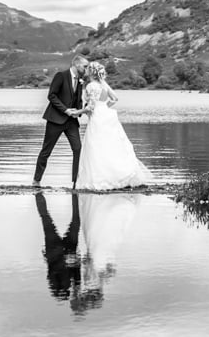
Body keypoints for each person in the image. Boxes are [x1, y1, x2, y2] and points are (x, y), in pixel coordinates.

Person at [74, 61, 153, 190]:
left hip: (97, 119)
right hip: (107, 116)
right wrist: (104, 107)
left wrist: (77, 112)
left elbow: (91, 107)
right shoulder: (104, 85)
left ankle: (101, 180)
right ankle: (119, 176)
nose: (86, 70)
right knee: (111, 146)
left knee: (97, 148)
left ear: (91, 72)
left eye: (88, 69)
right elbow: (114, 98)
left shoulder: (91, 86)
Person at [33, 55, 88, 188]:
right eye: (85, 66)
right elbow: (51, 95)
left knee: (78, 148)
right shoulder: (61, 76)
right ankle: (36, 180)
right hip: (55, 119)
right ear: (76, 65)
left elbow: (78, 99)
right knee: (47, 150)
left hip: (71, 122)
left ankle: (75, 182)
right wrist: (66, 110)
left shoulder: (80, 80)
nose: (86, 69)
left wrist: (78, 111)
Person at [34, 192, 81, 301]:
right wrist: (76, 260)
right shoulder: (64, 285)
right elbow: (76, 273)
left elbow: (53, 270)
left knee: (47, 219)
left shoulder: (56, 284)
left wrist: (68, 260)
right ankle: (75, 195)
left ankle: (38, 195)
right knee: (47, 219)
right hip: (66, 252)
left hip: (55, 251)